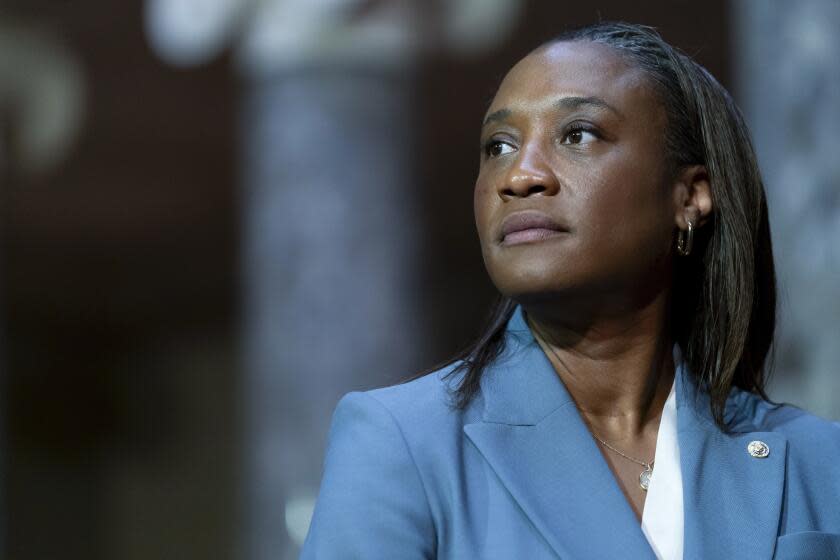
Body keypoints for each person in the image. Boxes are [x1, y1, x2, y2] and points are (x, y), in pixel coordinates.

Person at [301, 22, 840, 560]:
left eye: (577, 134)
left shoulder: (817, 461)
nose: (520, 176)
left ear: (690, 197)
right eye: (499, 146)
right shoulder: (401, 443)